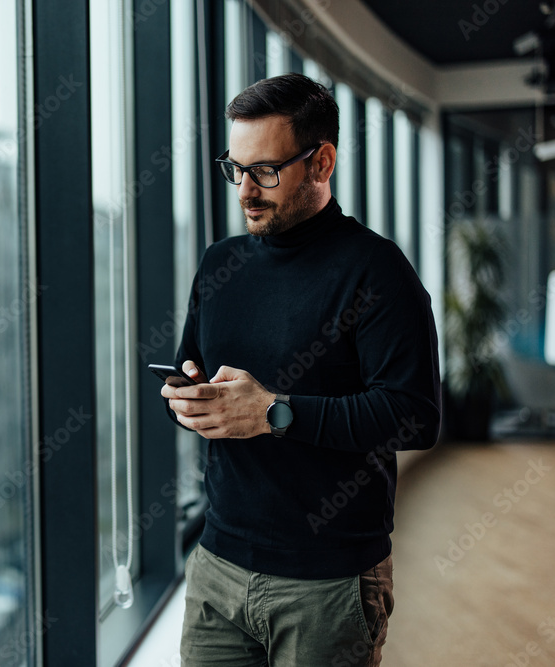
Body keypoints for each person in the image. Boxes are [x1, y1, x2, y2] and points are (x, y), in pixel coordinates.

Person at [163, 72, 441, 666]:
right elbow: (200, 378)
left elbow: (414, 416)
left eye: (265, 170)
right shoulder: (220, 262)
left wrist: (273, 413)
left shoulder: (378, 271)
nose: (244, 190)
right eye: (234, 167)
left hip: (329, 582)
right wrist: (188, 401)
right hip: (217, 567)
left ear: (322, 162)